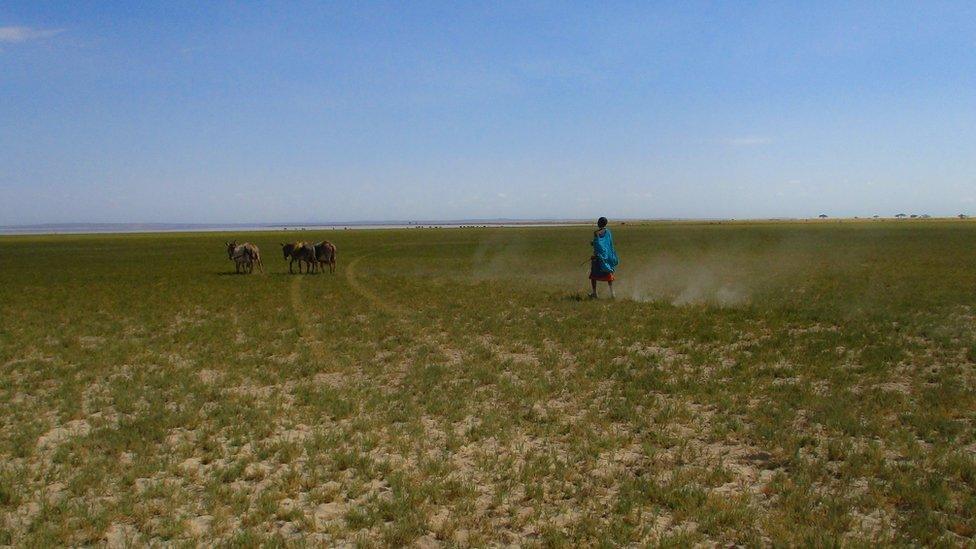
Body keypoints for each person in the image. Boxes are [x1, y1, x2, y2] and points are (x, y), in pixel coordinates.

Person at [589, 216, 618, 298]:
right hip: (607, 256)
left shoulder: (596, 233)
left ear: (599, 223)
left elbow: (598, 245)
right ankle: (612, 293)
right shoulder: (608, 232)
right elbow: (608, 244)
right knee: (608, 275)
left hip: (599, 257)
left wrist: (595, 254)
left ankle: (595, 293)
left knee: (593, 276)